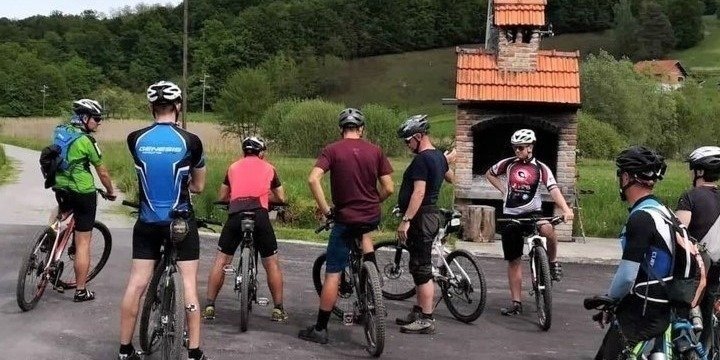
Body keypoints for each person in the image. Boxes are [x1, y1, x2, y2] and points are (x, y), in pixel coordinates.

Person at [118, 81, 208, 360]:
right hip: (180, 222)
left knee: (136, 284)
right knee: (190, 284)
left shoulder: (135, 138)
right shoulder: (191, 141)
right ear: (178, 107)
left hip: (147, 222)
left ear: (151, 107)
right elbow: (199, 186)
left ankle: (124, 350)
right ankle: (194, 353)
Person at [298, 108, 394, 344]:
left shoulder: (332, 149)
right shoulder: (375, 150)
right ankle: (374, 288)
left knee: (333, 273)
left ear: (341, 129)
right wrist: (375, 201)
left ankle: (321, 329)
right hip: (370, 215)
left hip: (345, 217)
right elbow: (389, 188)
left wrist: (326, 210)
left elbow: (313, 179)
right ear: (361, 129)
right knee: (364, 235)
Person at [594, 145, 673, 359]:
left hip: (645, 308)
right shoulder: (664, 212)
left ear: (626, 177)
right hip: (667, 303)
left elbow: (628, 275)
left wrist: (609, 300)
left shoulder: (641, 218)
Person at [485, 128, 574, 316]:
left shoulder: (541, 168)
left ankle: (553, 261)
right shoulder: (508, 164)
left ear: (530, 148)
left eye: (521, 148)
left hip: (534, 212)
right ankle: (516, 303)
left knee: (548, 228)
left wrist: (566, 209)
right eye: (515, 148)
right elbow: (489, 173)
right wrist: (504, 191)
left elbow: (553, 189)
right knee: (514, 260)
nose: (517, 151)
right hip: (511, 214)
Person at [202, 136, 288, 322]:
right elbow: (281, 197)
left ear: (244, 152)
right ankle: (278, 309)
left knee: (221, 260)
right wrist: (265, 198)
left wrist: (235, 198)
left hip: (236, 214)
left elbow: (223, 195)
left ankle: (209, 305)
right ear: (261, 152)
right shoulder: (269, 168)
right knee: (271, 262)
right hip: (260, 215)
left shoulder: (233, 167)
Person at [394, 115, 454, 334]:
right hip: (431, 215)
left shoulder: (421, 159)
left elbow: (418, 192)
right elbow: (450, 178)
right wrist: (447, 160)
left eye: (408, 140)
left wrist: (406, 220)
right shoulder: (438, 156)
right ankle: (418, 310)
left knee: (422, 268)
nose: (407, 145)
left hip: (421, 217)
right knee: (418, 265)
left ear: (418, 137)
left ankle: (426, 319)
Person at [52, 99, 116, 302]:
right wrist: (110, 191)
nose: (98, 123)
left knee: (61, 208)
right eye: (96, 119)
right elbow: (102, 172)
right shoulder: (87, 142)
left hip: (60, 186)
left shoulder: (60, 130)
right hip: (83, 192)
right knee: (83, 242)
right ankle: (81, 291)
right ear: (84, 118)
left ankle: (49, 237)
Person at [676, 146, 720, 343]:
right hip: (717, 269)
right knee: (710, 315)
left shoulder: (690, 197)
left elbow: (680, 234)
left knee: (685, 318)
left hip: (695, 269)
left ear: (699, 171)